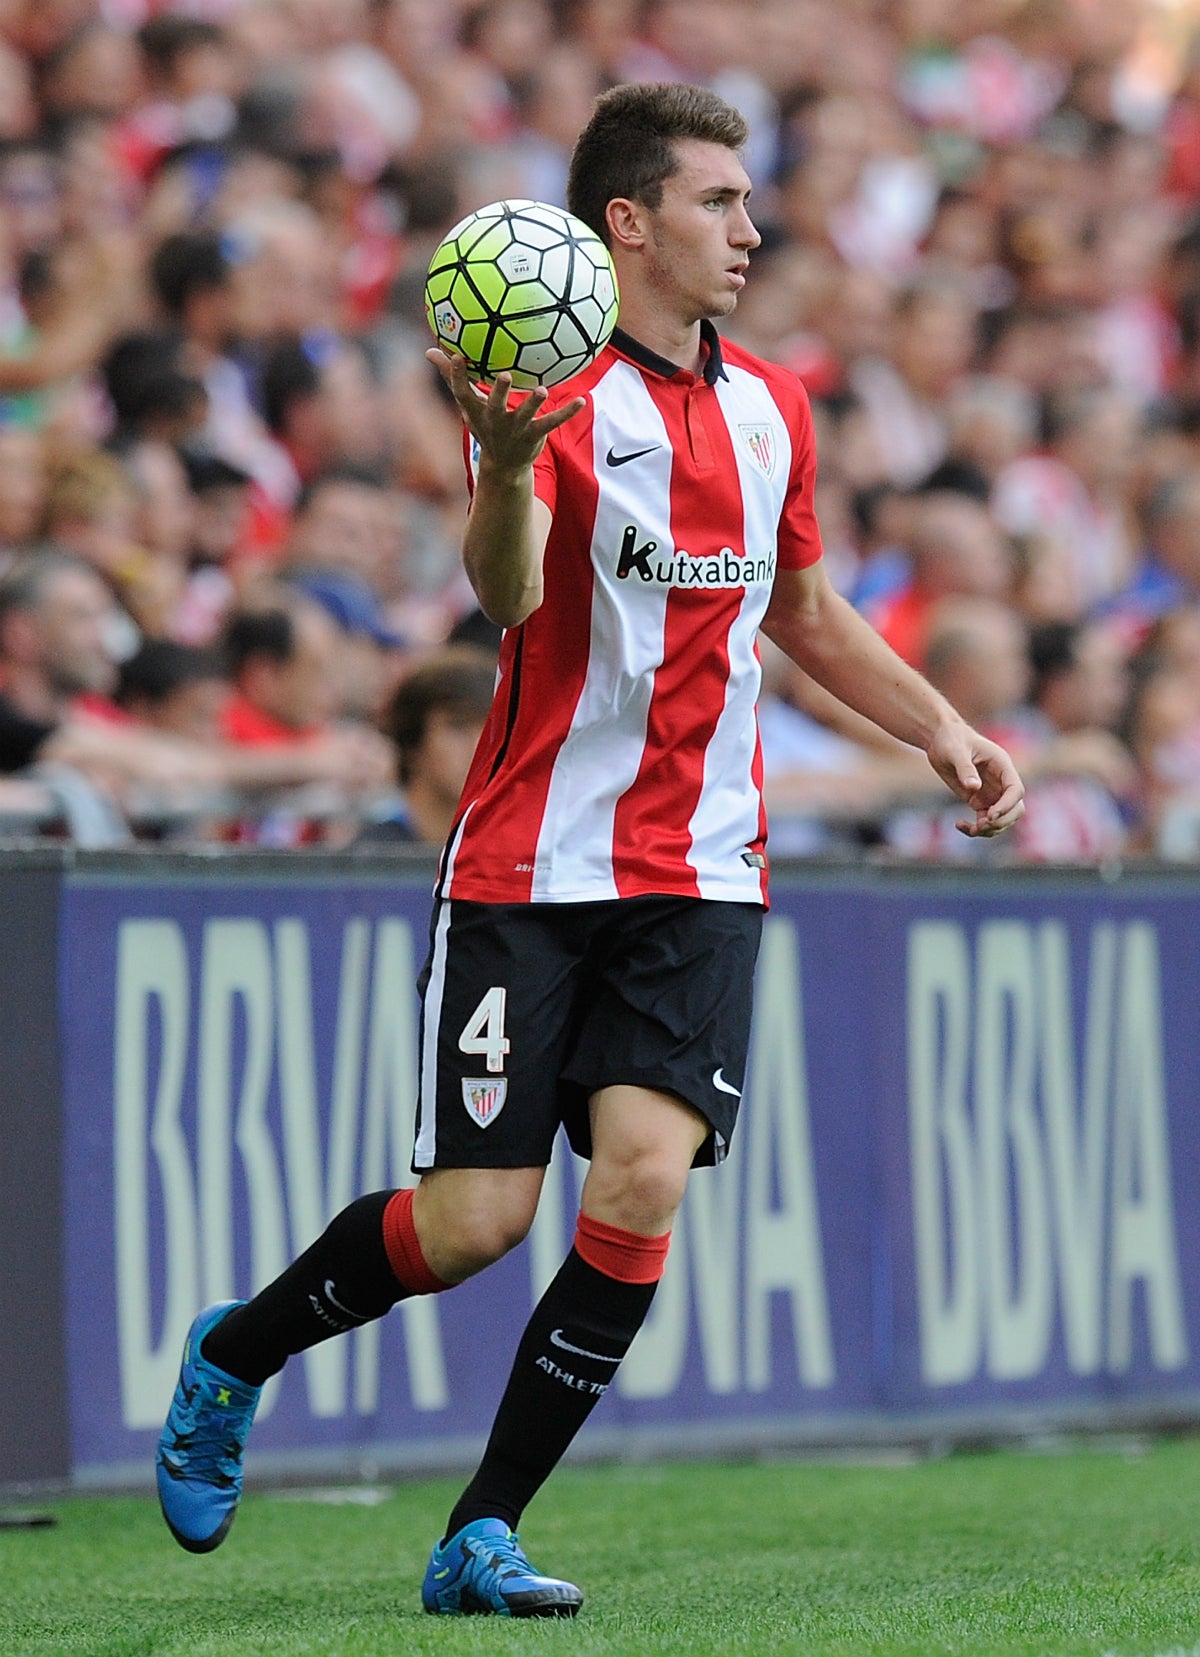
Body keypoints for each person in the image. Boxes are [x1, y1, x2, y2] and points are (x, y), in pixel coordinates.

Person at [155, 83, 1025, 1618]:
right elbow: (505, 599)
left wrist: (937, 727)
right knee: (477, 1225)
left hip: (704, 869)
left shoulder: (773, 406)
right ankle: (238, 1351)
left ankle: (478, 1530)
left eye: (746, 202)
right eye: (716, 203)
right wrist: (498, 468)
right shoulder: (550, 393)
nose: (750, 229)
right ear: (626, 221)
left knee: (639, 1188)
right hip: (528, 863)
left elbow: (803, 610)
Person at [352, 645, 497, 845]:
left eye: (490, 729)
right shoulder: (372, 855)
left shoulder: (514, 852)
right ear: (413, 743)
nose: (478, 747)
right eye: (458, 727)